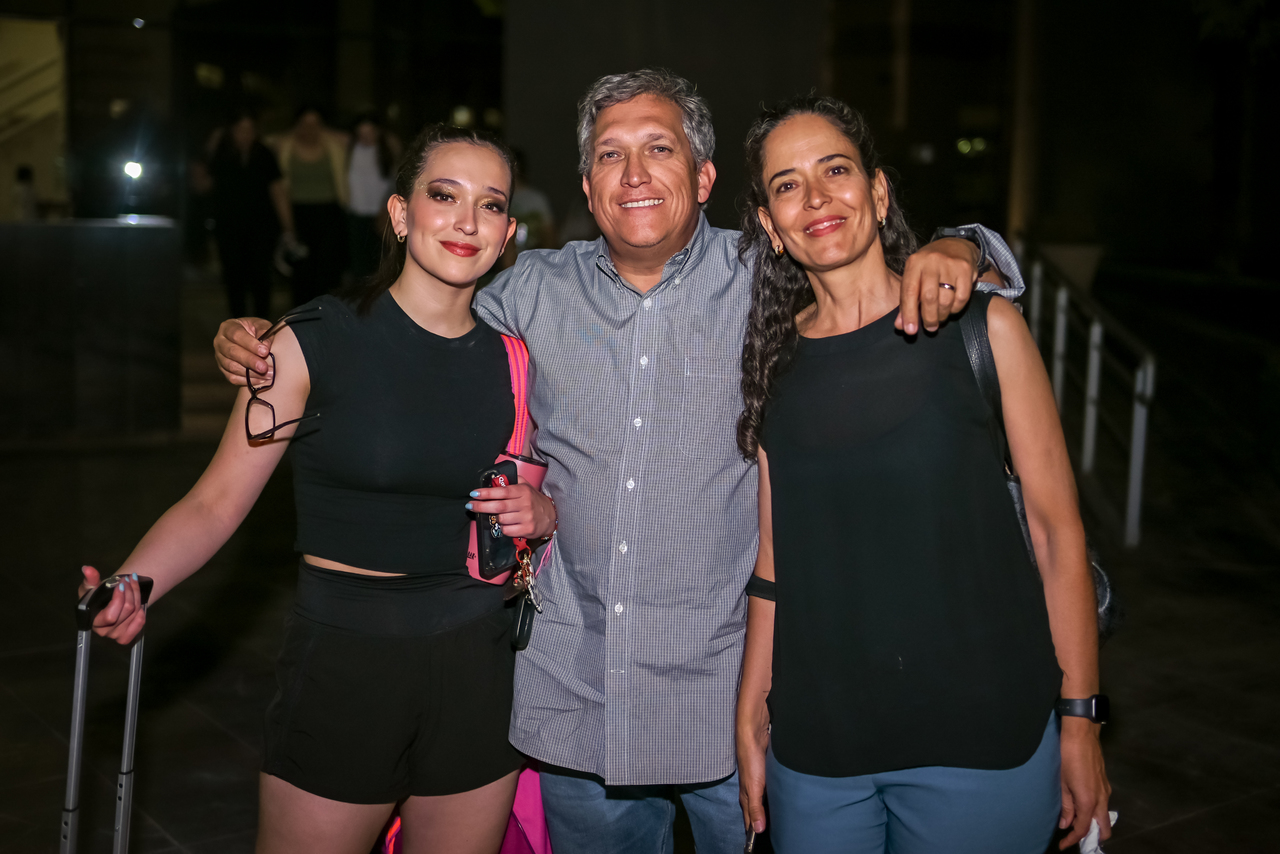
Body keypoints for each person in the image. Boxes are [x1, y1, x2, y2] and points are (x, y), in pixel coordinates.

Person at [212, 69, 1022, 854]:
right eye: (610, 155)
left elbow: (877, 263)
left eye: (659, 149)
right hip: (578, 707)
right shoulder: (531, 290)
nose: (634, 174)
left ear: (704, 178)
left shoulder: (768, 277)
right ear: (588, 186)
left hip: (730, 705)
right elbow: (407, 316)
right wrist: (268, 338)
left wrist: (964, 245)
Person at [79, 124, 555, 854]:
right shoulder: (311, 341)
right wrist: (133, 582)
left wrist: (543, 514)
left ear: (508, 231)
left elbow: (558, 491)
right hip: (345, 669)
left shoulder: (516, 359)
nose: (467, 221)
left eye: (490, 204)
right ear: (400, 214)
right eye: (444, 195)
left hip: (477, 672)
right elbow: (214, 502)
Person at [733, 97, 1111, 853]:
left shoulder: (984, 328)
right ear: (771, 228)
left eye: (835, 171)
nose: (816, 198)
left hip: (980, 737)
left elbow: (1056, 535)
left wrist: (1081, 720)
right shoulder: (773, 366)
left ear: (878, 193)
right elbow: (776, 560)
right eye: (788, 185)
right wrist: (752, 704)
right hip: (819, 747)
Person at [207, 111, 294, 318]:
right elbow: (205, 180)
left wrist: (288, 226)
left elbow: (277, 189)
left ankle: (261, 322)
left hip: (261, 226)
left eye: (250, 130)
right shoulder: (222, 152)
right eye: (240, 130)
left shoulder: (264, 154)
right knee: (233, 276)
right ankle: (238, 321)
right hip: (229, 226)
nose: (245, 135)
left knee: (261, 276)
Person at [273, 106, 350, 306]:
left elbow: (352, 138)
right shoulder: (285, 146)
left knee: (328, 269)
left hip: (330, 212)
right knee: (302, 270)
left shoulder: (333, 145)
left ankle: (327, 314)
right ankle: (301, 316)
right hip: (299, 212)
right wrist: (287, 226)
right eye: (305, 123)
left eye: (315, 123)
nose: (310, 128)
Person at [346, 112, 401, 280]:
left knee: (382, 261)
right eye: (362, 133)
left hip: (383, 214)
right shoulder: (348, 148)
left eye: (370, 132)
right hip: (356, 213)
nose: (366, 137)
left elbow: (396, 180)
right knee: (359, 262)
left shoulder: (388, 149)